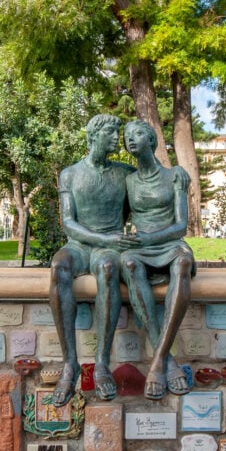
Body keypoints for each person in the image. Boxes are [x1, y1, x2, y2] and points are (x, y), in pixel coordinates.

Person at [49, 114, 137, 406]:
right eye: (111, 133)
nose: (116, 138)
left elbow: (141, 203)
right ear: (93, 136)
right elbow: (68, 223)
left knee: (109, 268)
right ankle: (69, 363)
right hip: (79, 244)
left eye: (117, 133)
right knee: (59, 267)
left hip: (107, 247)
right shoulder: (70, 174)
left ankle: (101, 363)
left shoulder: (126, 173)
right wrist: (105, 239)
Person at [119, 120, 196, 400]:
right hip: (140, 248)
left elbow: (181, 226)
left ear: (152, 141)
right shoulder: (127, 181)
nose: (131, 139)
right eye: (127, 136)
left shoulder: (175, 174)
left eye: (138, 133)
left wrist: (147, 239)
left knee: (183, 262)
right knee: (128, 262)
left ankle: (157, 361)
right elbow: (119, 222)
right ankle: (167, 361)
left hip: (169, 242)